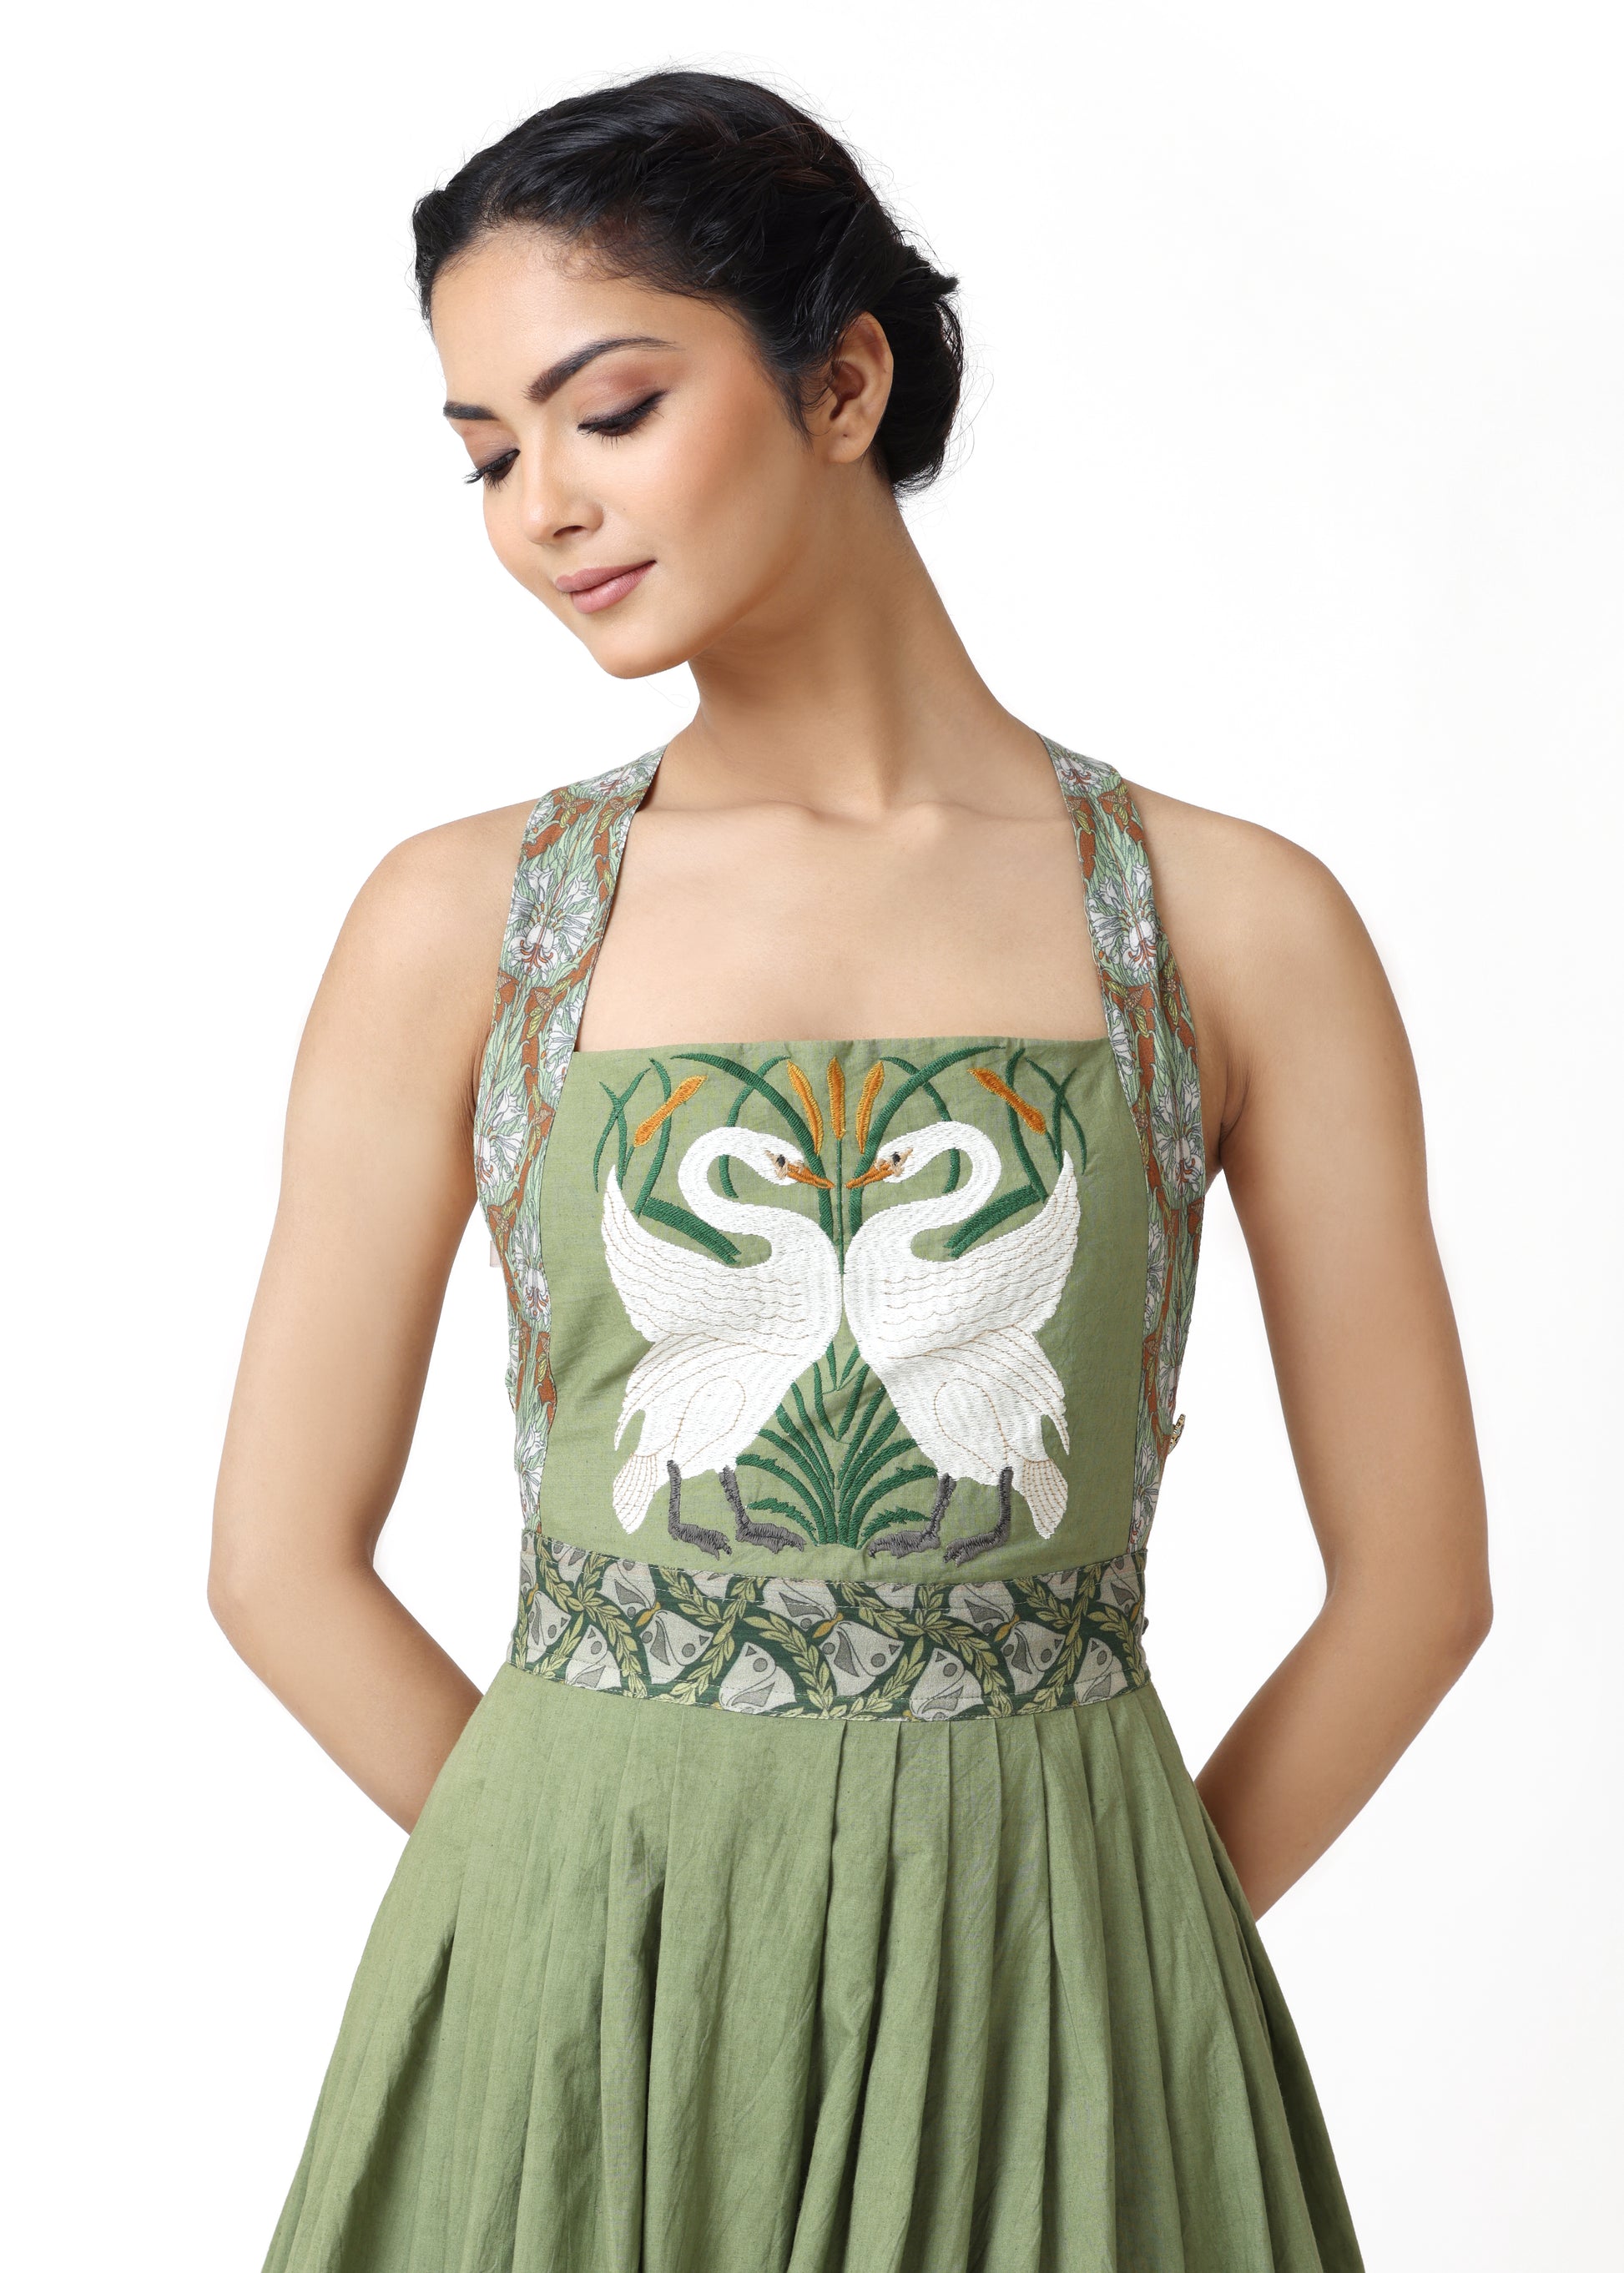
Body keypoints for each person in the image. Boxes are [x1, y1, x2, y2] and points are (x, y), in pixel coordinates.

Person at [210, 66, 1491, 2273]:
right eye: (489, 454)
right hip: (579, 2017)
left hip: (1058, 2002)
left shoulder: (1234, 921)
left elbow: (1419, 1586)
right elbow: (274, 1564)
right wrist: (573, 1909)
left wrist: (1117, 1955)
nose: (543, 508)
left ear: (842, 383)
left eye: (609, 410)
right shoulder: (462, 922)